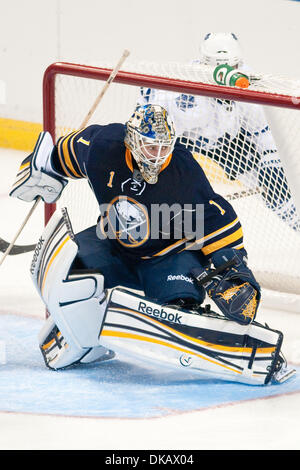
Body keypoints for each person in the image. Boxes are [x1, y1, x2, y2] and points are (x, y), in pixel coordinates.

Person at [10, 104, 294, 385]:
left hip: (169, 257)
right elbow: (65, 153)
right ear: (131, 141)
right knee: (64, 270)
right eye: (150, 147)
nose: (158, 156)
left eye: (164, 147)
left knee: (176, 310)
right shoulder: (103, 147)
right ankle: (85, 338)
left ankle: (210, 328)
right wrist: (44, 169)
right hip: (114, 247)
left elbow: (218, 223)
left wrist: (235, 272)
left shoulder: (183, 171)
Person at [139, 33, 300, 231]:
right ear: (205, 64)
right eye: (221, 69)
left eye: (233, 67)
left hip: (231, 144)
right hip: (188, 147)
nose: (229, 74)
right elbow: (156, 125)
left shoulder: (246, 79)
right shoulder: (181, 92)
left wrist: (271, 160)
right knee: (182, 198)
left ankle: (295, 224)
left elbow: (260, 130)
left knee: (278, 186)